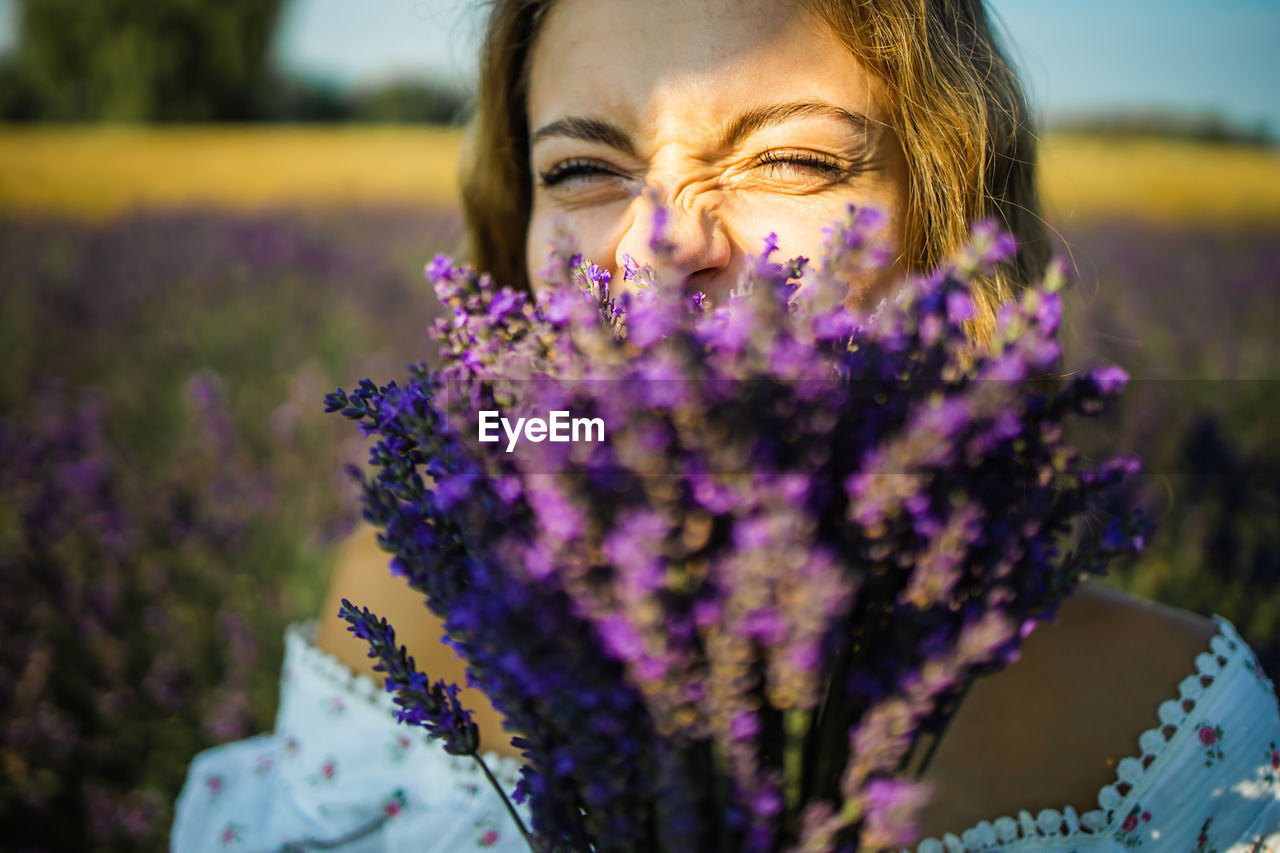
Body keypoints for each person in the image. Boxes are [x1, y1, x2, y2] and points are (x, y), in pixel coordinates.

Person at [172, 0, 1280, 850]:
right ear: (518, 239)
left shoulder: (1169, 728)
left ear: (950, 221)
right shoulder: (401, 606)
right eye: (582, 168)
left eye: (789, 158)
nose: (659, 243)